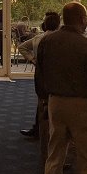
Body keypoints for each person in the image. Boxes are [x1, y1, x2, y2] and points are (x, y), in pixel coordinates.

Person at [36, 2, 87, 174]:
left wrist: (44, 99)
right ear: (82, 20)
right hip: (83, 106)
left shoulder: (47, 42)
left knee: (54, 157)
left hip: (55, 103)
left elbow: (39, 74)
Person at [18, 11, 60, 145]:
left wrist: (32, 60)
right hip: (57, 75)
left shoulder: (37, 39)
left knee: (42, 101)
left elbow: (22, 47)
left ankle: (38, 129)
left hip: (41, 74)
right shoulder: (60, 39)